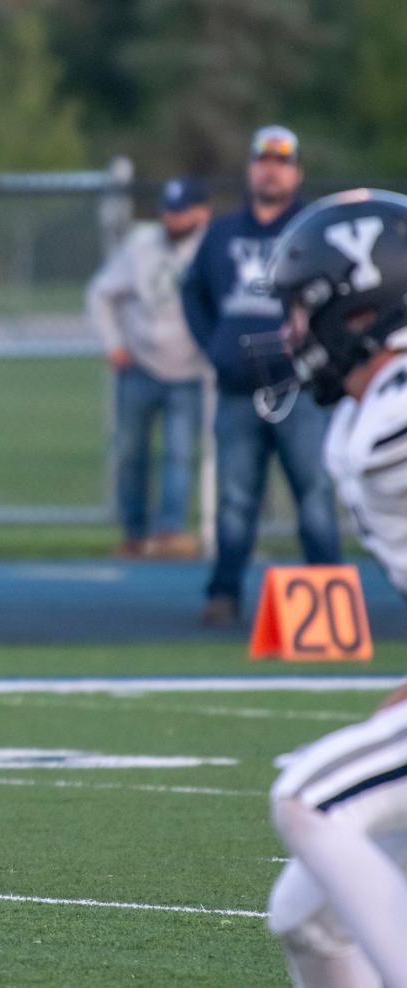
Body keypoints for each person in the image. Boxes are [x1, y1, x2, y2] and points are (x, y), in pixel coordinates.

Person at [261, 189, 407, 987]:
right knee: (304, 915)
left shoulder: (392, 408)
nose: (290, 332)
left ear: (357, 309)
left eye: (301, 309)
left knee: (309, 798)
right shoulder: (371, 413)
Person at [182, 126, 341, 626]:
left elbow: (339, 294)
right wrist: (215, 346)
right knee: (234, 499)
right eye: (262, 160)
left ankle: (329, 601)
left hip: (298, 387)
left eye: (281, 161)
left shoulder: (314, 229)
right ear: (251, 167)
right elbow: (193, 294)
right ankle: (224, 594)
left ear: (296, 171)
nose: (270, 169)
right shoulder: (224, 232)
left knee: (313, 494)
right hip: (237, 389)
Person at [87, 176, 212, 559]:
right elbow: (101, 292)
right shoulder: (141, 246)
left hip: (189, 371)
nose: (173, 220)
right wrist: (113, 344)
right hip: (140, 366)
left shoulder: (212, 249)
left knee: (178, 453)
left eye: (181, 211)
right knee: (130, 453)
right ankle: (134, 533)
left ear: (201, 213)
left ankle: (169, 533)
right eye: (168, 212)